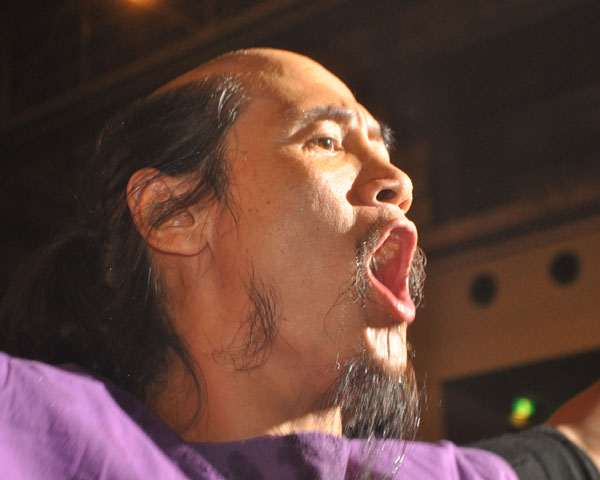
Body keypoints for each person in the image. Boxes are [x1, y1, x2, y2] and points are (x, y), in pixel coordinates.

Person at [0, 48, 598, 479]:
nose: (398, 180)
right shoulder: (37, 430)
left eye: (383, 147)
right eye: (326, 141)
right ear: (172, 213)